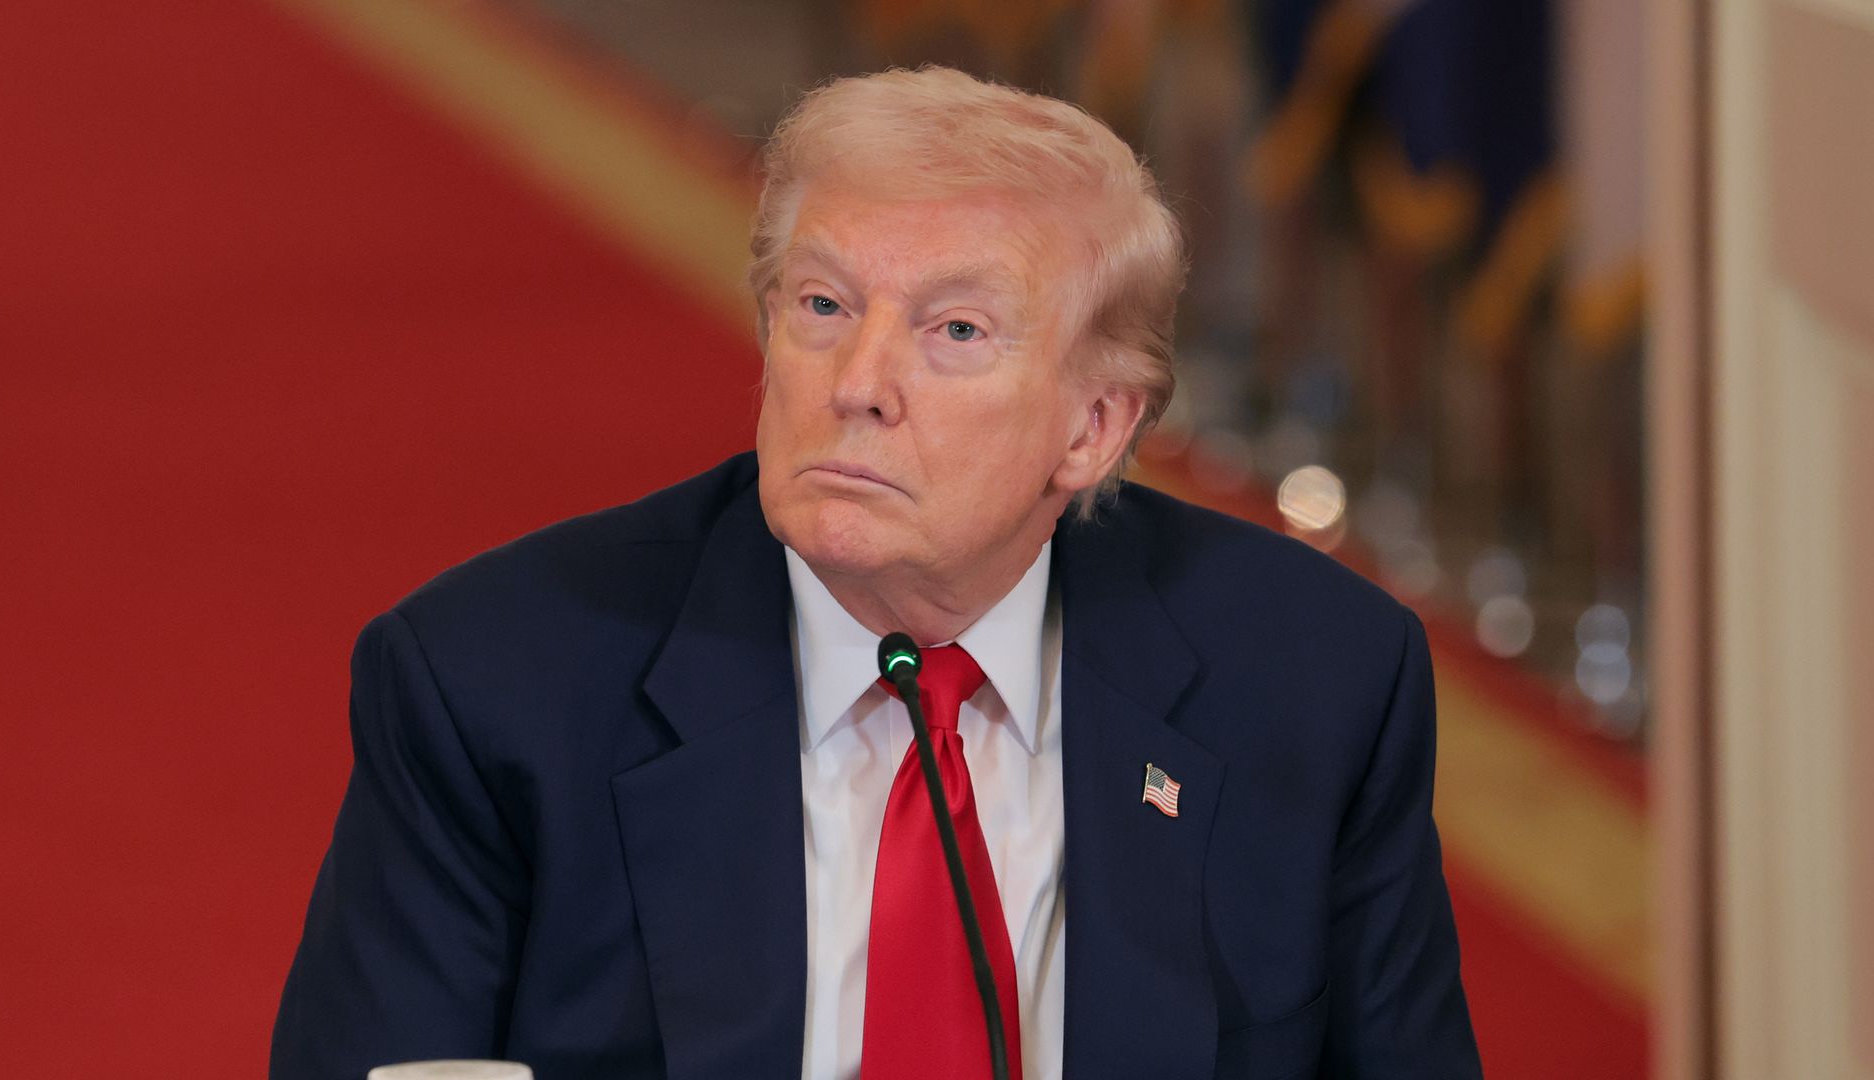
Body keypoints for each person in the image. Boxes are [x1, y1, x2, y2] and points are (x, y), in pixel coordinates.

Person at [271, 66, 1479, 1079]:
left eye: (955, 330)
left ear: (1094, 428)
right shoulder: (493, 686)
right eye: (822, 303)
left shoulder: (1317, 687)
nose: (856, 381)